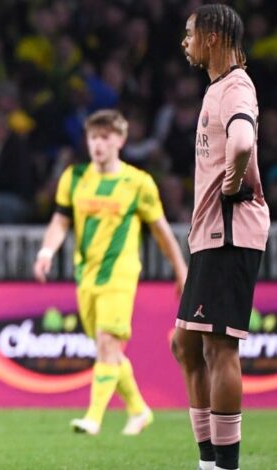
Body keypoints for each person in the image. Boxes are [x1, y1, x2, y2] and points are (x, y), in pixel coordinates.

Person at [33, 109, 187, 436]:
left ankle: (93, 417)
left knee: (106, 341)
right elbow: (60, 220)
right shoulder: (74, 178)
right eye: (93, 138)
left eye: (105, 137)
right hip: (86, 275)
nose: (98, 144)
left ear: (121, 140)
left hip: (120, 273)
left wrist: (180, 269)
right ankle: (139, 410)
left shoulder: (138, 183)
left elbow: (161, 230)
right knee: (109, 349)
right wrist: (46, 252)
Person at [174, 5, 269, 470]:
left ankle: (223, 466)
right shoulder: (217, 89)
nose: (184, 41)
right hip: (210, 234)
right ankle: (209, 462)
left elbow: (243, 141)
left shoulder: (236, 87)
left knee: (219, 348)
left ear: (211, 36)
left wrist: (231, 184)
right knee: (187, 345)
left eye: (190, 33)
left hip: (229, 232)